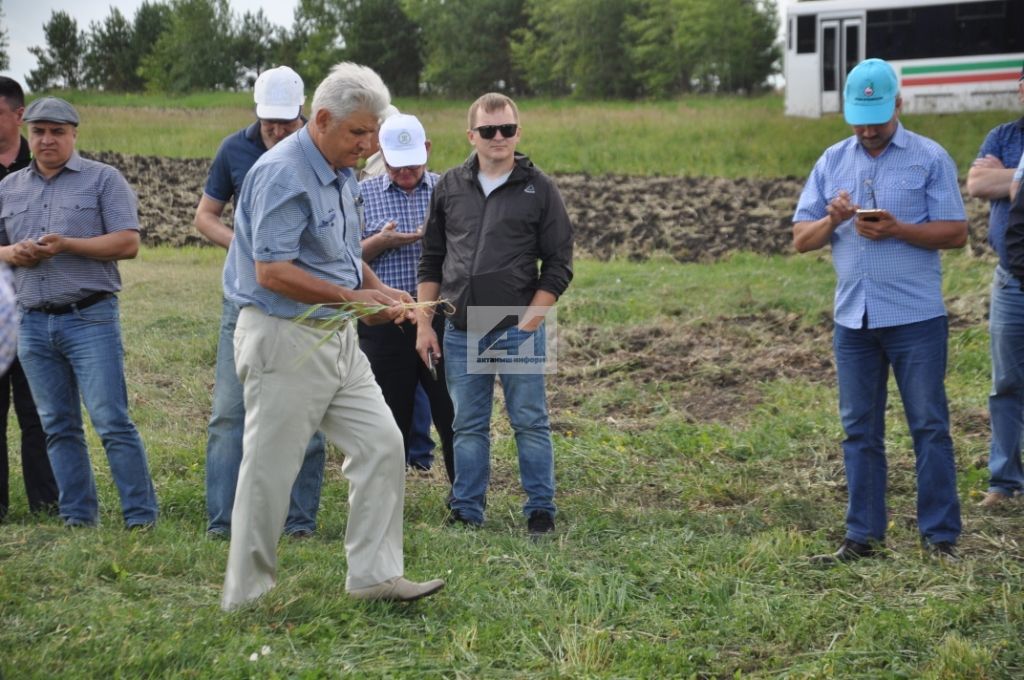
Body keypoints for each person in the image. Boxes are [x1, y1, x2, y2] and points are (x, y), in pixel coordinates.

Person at [220, 62, 444, 611]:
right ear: (321, 119)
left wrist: (380, 294)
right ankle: (246, 596)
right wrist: (355, 301)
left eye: (373, 132)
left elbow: (343, 258)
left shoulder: (342, 171)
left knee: (383, 445)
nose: (369, 144)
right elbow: (271, 271)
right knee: (270, 470)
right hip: (283, 337)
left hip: (336, 337)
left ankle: (374, 576)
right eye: (359, 133)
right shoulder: (282, 174)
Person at [793, 59, 966, 563]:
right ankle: (863, 536)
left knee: (929, 426)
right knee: (859, 430)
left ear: (899, 104)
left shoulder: (929, 158)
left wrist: (898, 229)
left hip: (915, 319)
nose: (868, 130)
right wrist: (833, 219)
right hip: (854, 321)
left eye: (877, 118)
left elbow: (955, 232)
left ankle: (940, 536)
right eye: (858, 119)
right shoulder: (831, 161)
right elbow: (802, 239)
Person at [416, 93, 574, 535]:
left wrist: (530, 321)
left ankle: (540, 509)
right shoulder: (449, 186)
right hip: (461, 326)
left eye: (507, 129)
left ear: (518, 133)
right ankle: (467, 509)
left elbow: (559, 263)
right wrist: (425, 323)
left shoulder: (538, 188)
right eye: (489, 131)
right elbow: (432, 259)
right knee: (467, 423)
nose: (499, 137)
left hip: (514, 326)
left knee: (529, 421)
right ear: (472, 136)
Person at [0, 97, 158, 529]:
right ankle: (77, 517)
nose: (47, 140)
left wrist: (68, 244)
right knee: (56, 424)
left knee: (111, 420)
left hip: (90, 317)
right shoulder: (9, 189)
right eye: (39, 131)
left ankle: (140, 518)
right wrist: (13, 253)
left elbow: (128, 243)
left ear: (74, 134)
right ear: (28, 133)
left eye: (57, 131)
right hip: (32, 321)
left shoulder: (103, 180)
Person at [194, 65, 326, 539]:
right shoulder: (235, 149)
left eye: (285, 121)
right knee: (230, 412)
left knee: (306, 416)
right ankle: (224, 524)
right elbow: (205, 217)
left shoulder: (319, 151)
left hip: (304, 303)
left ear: (302, 113)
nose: (274, 130)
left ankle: (298, 524)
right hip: (245, 300)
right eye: (267, 120)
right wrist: (245, 246)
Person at [358, 113, 455, 483]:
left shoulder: (449, 189)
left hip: (441, 317)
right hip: (386, 320)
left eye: (413, 164)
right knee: (386, 414)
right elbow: (345, 259)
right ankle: (385, 493)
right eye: (396, 166)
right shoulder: (361, 194)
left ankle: (463, 495)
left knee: (450, 410)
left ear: (427, 150)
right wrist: (380, 243)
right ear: (381, 154)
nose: (404, 173)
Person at [966, 62, 1024, 507]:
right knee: (1006, 380)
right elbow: (977, 182)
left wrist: (1009, 180)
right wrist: (1013, 181)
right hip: (1012, 282)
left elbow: (995, 181)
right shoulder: (1003, 136)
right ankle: (1003, 482)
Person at [0, 77, 58, 521]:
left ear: (19, 116)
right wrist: (6, 253)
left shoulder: (41, 163)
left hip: (38, 303)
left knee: (38, 409)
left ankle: (47, 503)